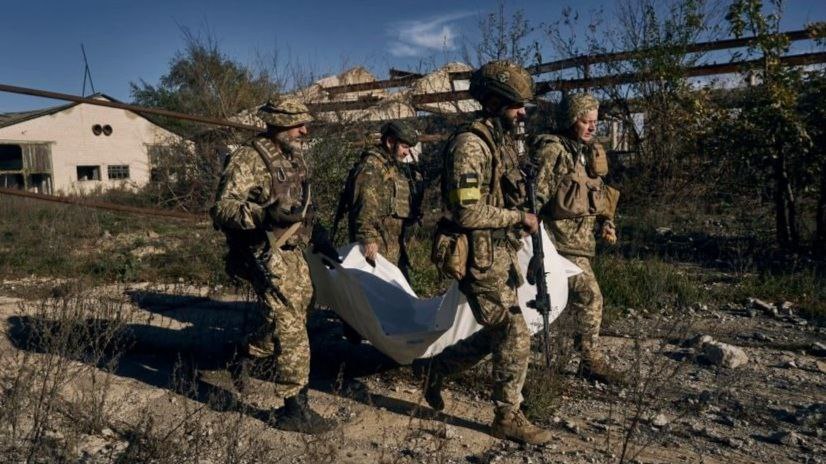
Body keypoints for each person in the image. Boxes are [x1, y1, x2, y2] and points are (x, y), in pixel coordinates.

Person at [415, 60, 552, 445]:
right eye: (516, 105)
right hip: (477, 257)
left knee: (498, 330)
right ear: (493, 103)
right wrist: (518, 217)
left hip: (498, 253)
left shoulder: (501, 141)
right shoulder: (470, 145)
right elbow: (466, 211)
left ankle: (435, 370)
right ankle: (507, 415)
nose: (522, 113)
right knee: (512, 331)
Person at [210, 98, 336, 434]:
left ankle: (245, 352)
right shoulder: (248, 158)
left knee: (301, 309)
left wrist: (318, 234)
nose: (305, 130)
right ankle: (294, 408)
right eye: (298, 124)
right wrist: (262, 214)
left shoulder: (293, 156)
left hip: (293, 249)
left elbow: (301, 204)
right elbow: (222, 209)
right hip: (264, 251)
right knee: (290, 323)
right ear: (278, 123)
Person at [531, 92, 622, 384]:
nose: (592, 127)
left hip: (581, 244)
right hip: (557, 244)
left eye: (595, 121)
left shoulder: (588, 152)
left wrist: (607, 222)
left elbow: (600, 193)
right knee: (590, 296)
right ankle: (589, 359)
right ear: (571, 120)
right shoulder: (554, 151)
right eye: (586, 121)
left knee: (575, 299)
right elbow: (534, 197)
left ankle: (581, 354)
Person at [346, 120, 420, 273]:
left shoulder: (391, 166)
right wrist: (368, 239)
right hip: (377, 245)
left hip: (393, 244)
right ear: (390, 142)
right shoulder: (372, 166)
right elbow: (364, 204)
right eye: (404, 147)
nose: (407, 153)